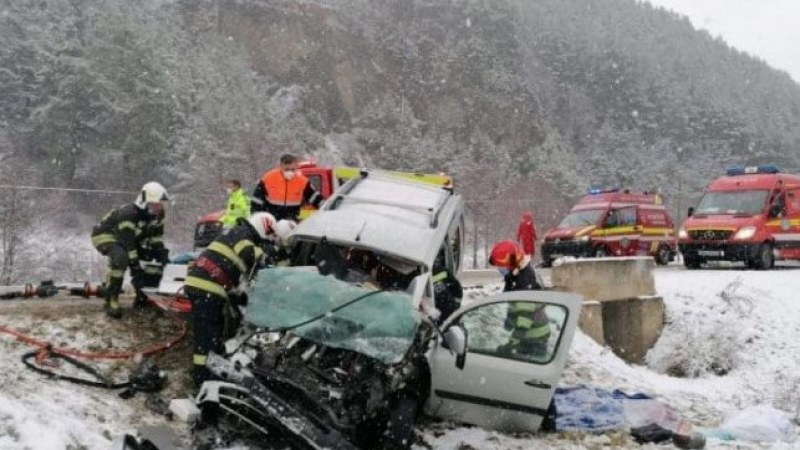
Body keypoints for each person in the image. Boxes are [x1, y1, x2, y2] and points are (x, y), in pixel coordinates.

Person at [183, 212, 276, 388]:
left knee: (211, 334)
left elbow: (235, 270)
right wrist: (267, 254)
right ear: (263, 228)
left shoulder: (236, 231)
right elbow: (249, 252)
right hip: (207, 287)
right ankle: (203, 380)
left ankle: (206, 374)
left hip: (203, 284)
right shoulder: (244, 236)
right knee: (208, 337)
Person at [91, 182, 170, 319]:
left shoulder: (157, 217)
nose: (159, 207)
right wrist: (135, 267)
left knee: (151, 260)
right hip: (105, 235)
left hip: (128, 240)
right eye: (156, 204)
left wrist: (160, 254)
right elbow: (127, 243)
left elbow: (155, 238)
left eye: (161, 204)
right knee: (121, 258)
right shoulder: (129, 213)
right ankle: (111, 299)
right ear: (145, 202)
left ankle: (143, 298)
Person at [488, 240, 549, 357]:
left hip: (534, 337)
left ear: (511, 262)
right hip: (528, 334)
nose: (500, 269)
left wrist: (511, 344)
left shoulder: (524, 280)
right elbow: (515, 304)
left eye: (501, 265)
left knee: (528, 372)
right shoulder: (516, 274)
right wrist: (510, 320)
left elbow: (524, 318)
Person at [251, 154, 323, 221]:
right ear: (281, 167)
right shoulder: (268, 178)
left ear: (296, 167)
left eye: (292, 169)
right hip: (271, 221)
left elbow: (314, 197)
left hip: (292, 221)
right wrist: (256, 215)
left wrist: (324, 205)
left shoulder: (302, 181)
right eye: (287, 169)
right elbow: (257, 199)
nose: (290, 172)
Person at [432, 250, 463, 323]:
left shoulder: (441, 271)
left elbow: (456, 287)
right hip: (443, 312)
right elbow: (457, 288)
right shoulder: (441, 271)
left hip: (445, 311)